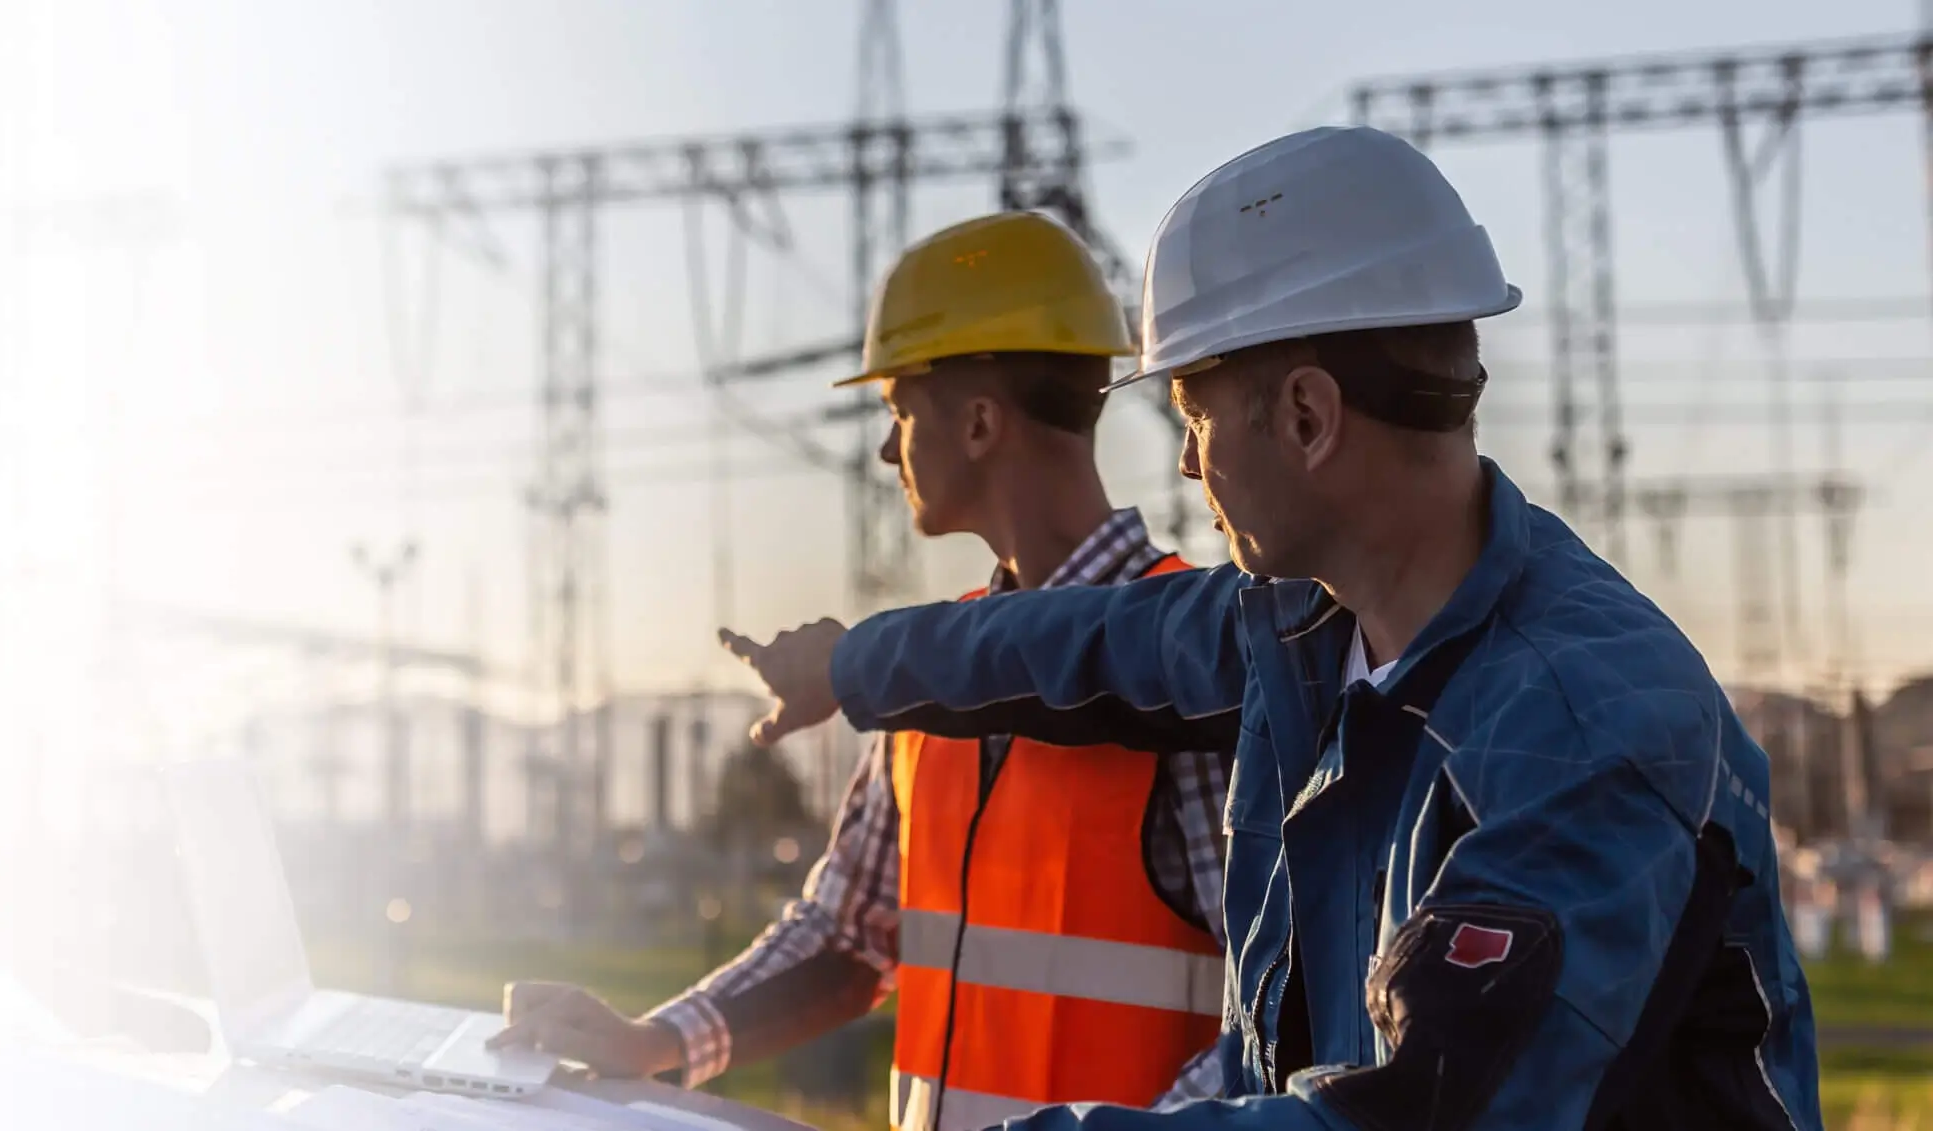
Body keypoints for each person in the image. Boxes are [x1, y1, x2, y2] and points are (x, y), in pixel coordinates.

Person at [715, 127, 1822, 1131]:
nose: (1187, 462)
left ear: (1304, 416)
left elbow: (1414, 1115)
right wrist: (842, 668)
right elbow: (1061, 644)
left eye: (1192, 415)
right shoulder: (1299, 630)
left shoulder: (1584, 723)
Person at [491, 211, 1239, 1130]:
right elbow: (850, 932)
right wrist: (660, 1040)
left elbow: (1271, 1016)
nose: (888, 451)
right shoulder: (925, 676)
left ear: (975, 422)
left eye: (898, 411)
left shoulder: (1193, 678)